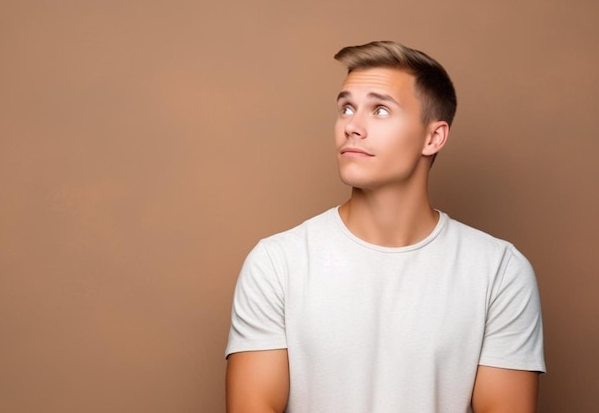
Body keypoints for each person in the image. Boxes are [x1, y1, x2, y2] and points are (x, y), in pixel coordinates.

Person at [224, 40, 545, 413]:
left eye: (379, 110)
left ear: (433, 137)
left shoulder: (500, 271)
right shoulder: (276, 263)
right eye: (346, 108)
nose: (352, 127)